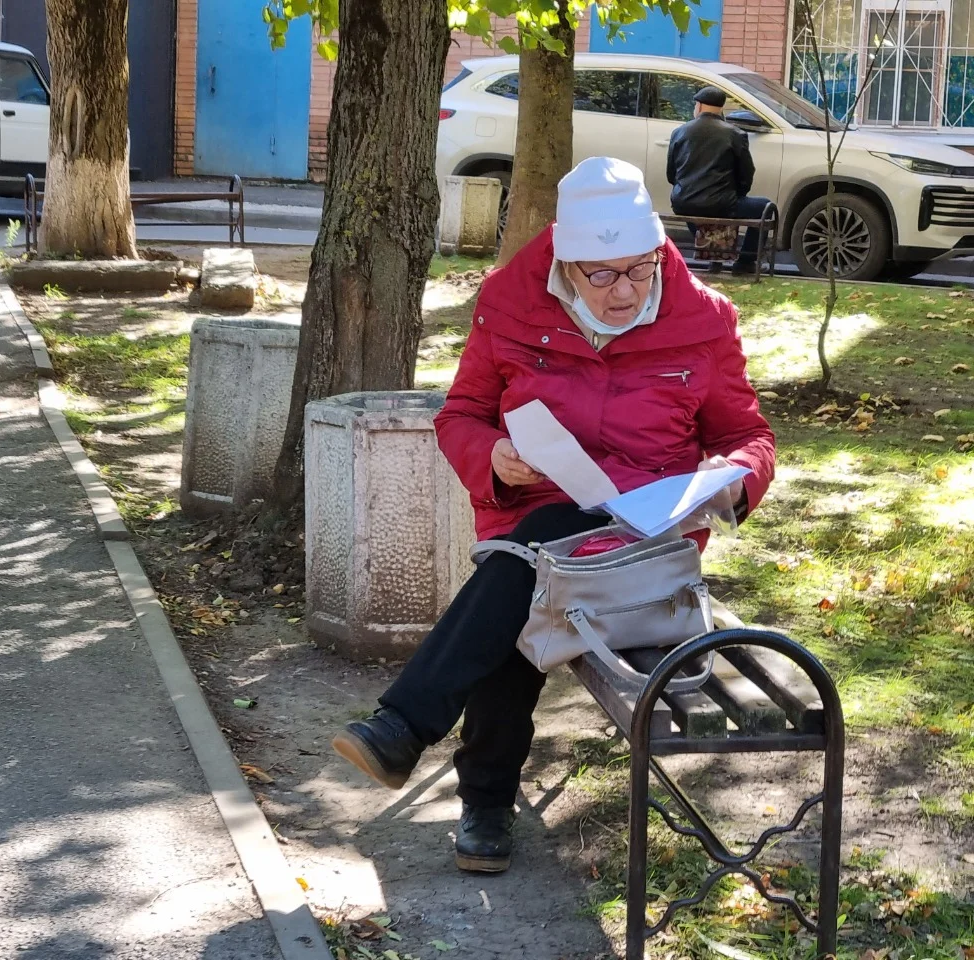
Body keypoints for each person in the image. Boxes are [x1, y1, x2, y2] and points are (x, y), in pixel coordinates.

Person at [331, 157, 776, 874]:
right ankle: (461, 785)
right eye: (601, 275)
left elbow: (746, 437)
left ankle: (433, 756)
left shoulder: (704, 319)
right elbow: (464, 415)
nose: (624, 290)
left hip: (644, 547)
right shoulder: (510, 304)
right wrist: (497, 458)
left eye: (640, 268)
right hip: (536, 519)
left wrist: (734, 476)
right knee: (534, 567)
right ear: (564, 265)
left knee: (526, 567)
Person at [666, 86, 773, 274]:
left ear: (698, 106)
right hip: (722, 202)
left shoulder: (680, 132)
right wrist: (738, 194)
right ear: (720, 109)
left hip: (683, 202)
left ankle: (712, 254)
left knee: (696, 208)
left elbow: (671, 174)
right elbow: (746, 173)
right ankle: (746, 261)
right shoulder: (735, 134)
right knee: (764, 207)